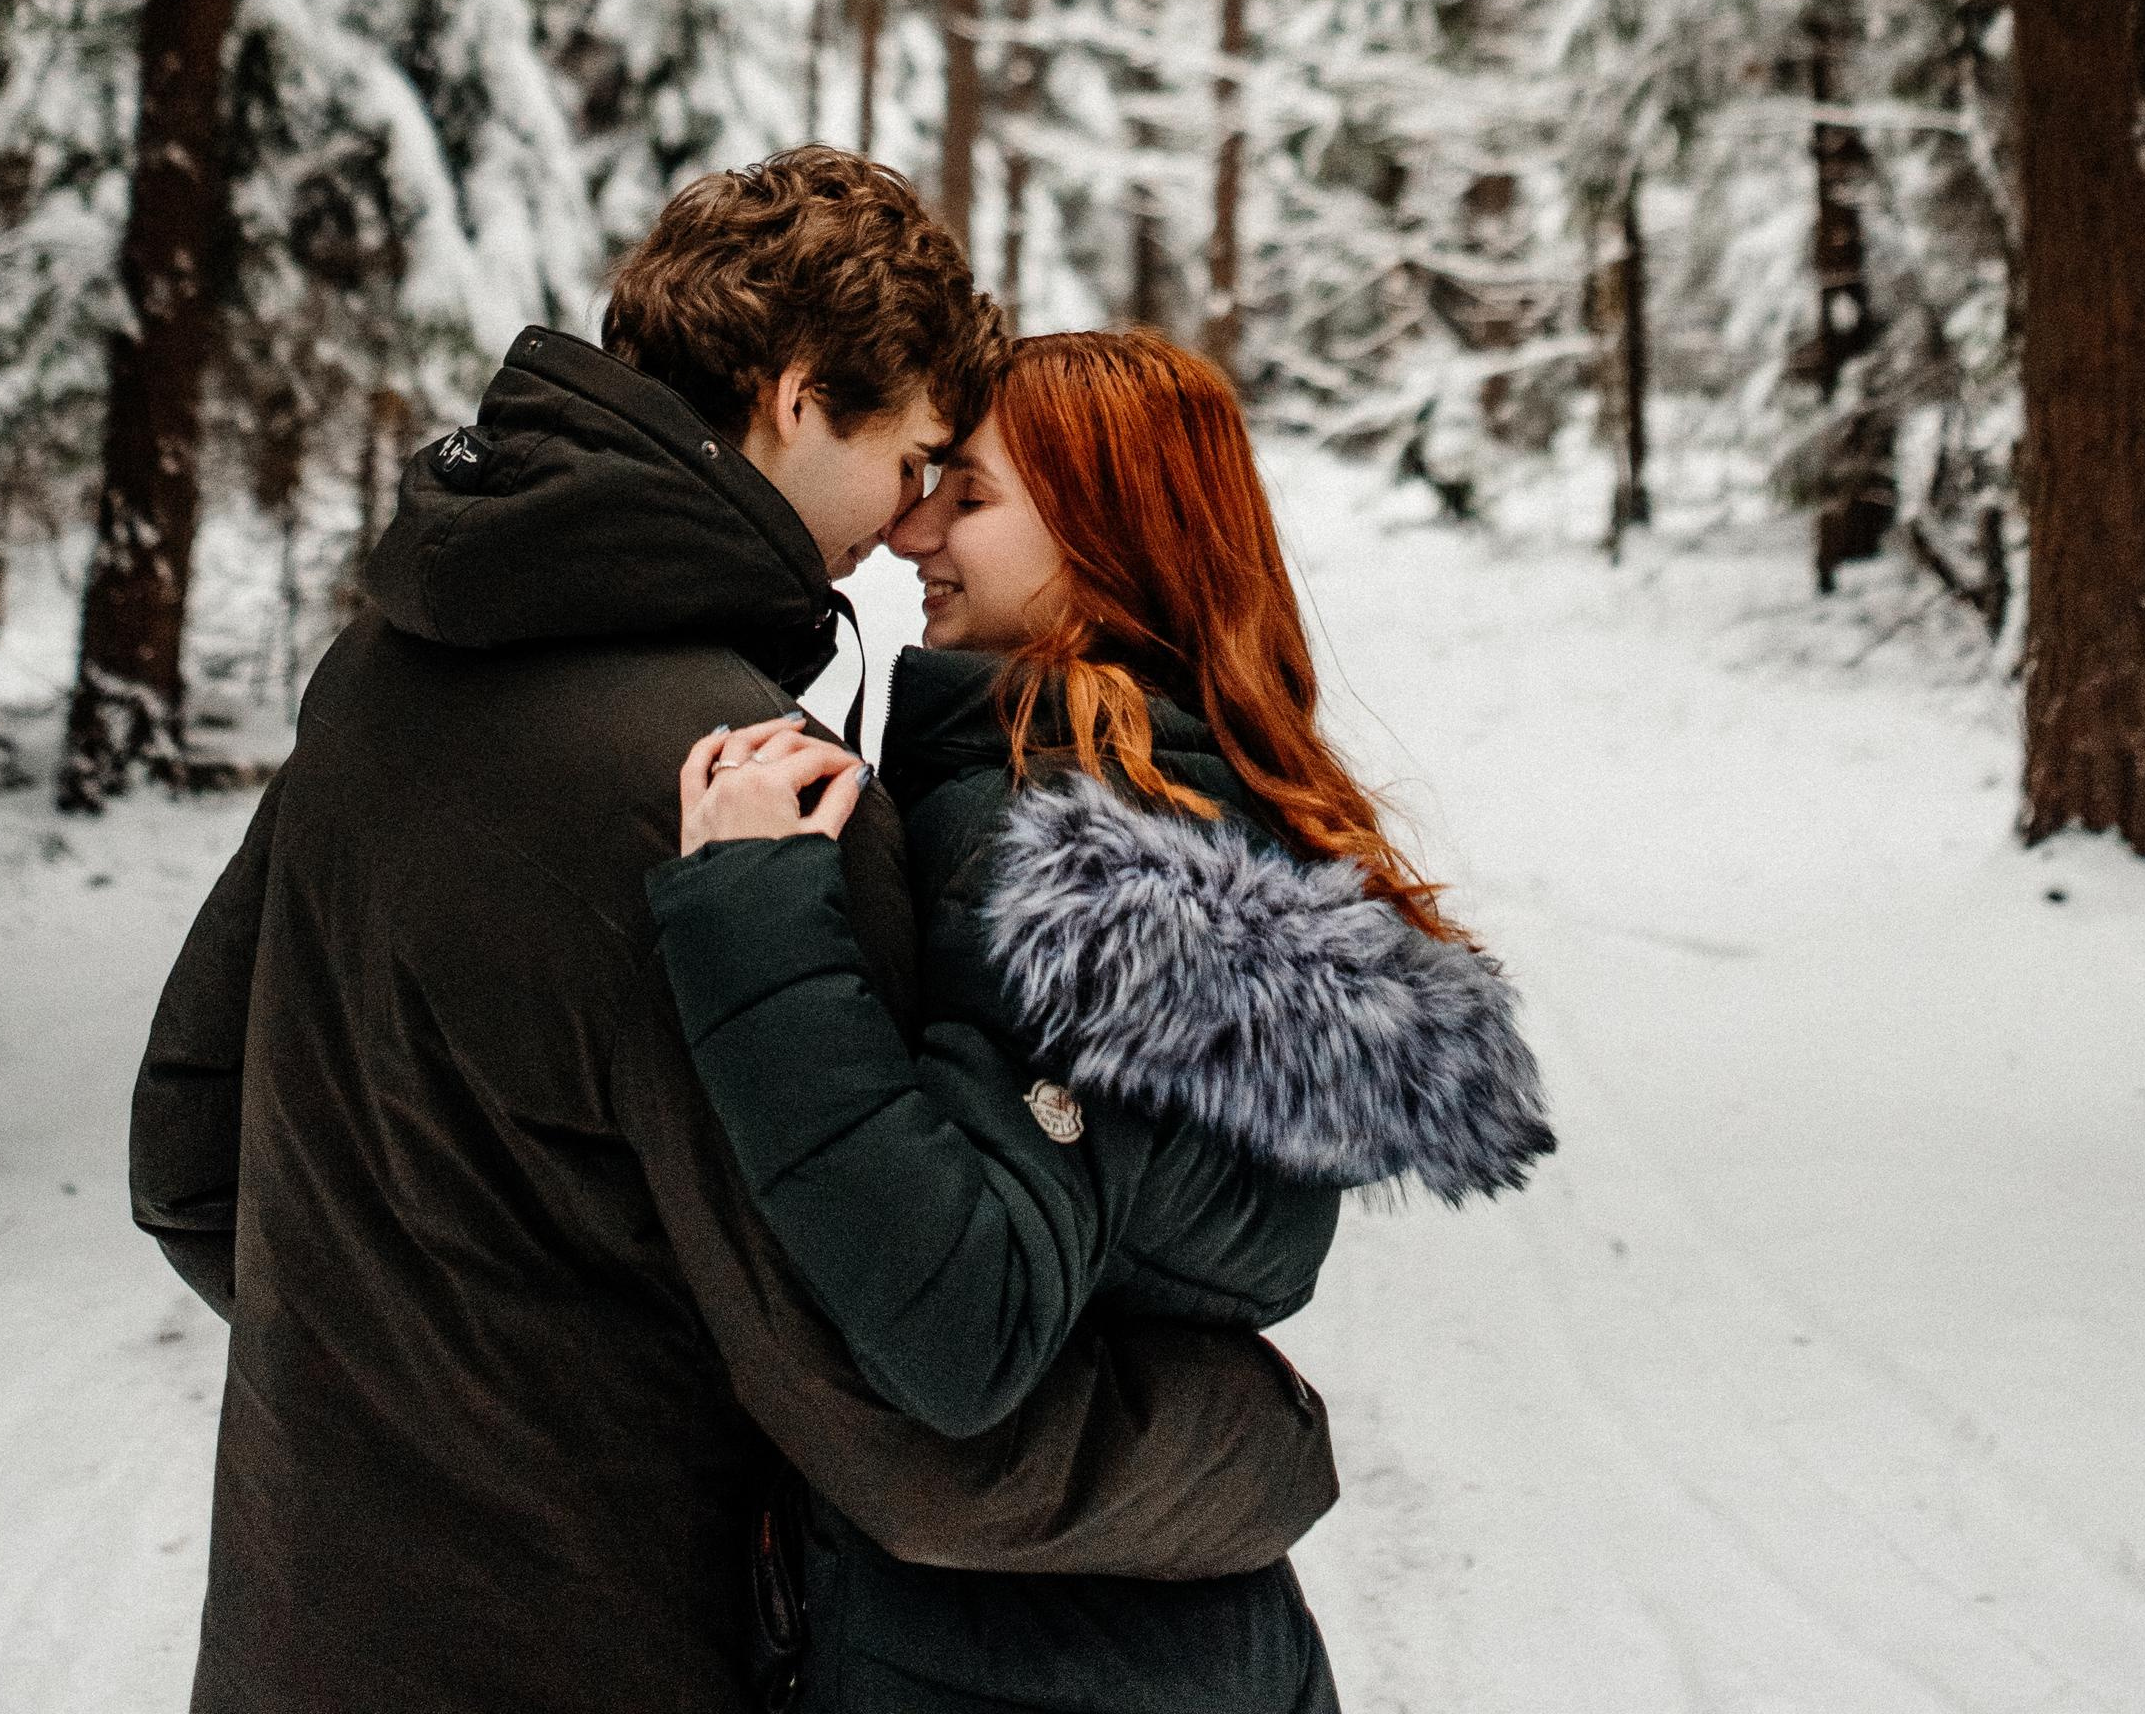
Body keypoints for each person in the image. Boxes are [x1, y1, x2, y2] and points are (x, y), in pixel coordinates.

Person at [129, 157, 1335, 1714]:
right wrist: (1249, 1452)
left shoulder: (382, 669)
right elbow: (910, 1436)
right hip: (604, 1642)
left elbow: (188, 1157)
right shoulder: (743, 793)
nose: (909, 523)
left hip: (303, 1637)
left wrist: (429, 1374)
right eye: (911, 459)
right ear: (792, 395)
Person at [650, 323, 1554, 1714]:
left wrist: (756, 925)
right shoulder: (1179, 819)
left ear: (1111, 539)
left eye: (975, 496)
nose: (913, 535)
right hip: (1156, 1644)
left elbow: (962, 1321)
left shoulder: (1083, 874)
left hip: (1012, 1665)